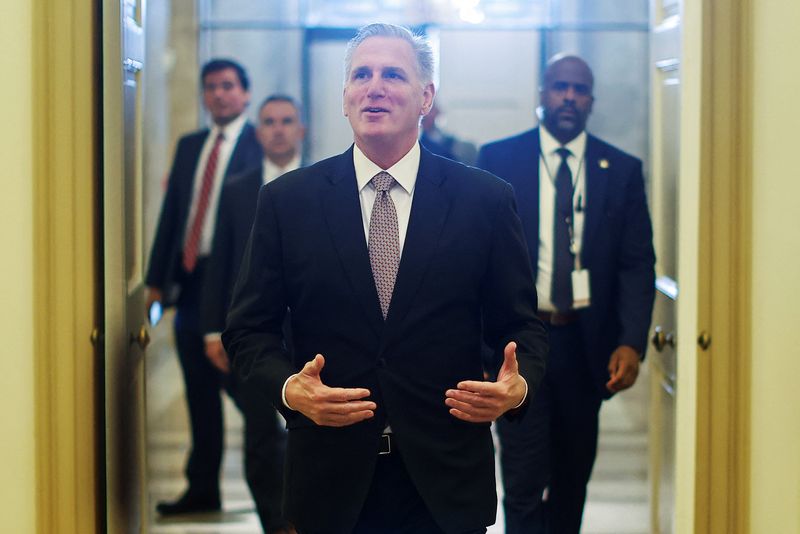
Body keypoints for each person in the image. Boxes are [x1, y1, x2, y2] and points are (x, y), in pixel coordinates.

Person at [222, 23, 548, 534]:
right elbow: (247, 332)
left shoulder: (484, 200)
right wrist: (290, 390)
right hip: (330, 480)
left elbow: (522, 327)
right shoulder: (289, 202)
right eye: (361, 75)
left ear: (426, 96)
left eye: (393, 74)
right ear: (345, 97)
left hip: (445, 483)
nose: (375, 86)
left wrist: (518, 385)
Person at [477, 54, 656, 534]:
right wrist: (478, 346)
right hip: (519, 342)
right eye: (559, 87)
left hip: (584, 345)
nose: (569, 97)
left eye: (579, 89)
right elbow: (476, 261)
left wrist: (630, 340)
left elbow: (637, 262)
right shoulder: (498, 160)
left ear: (591, 100)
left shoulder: (619, 169)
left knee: (572, 479)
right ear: (542, 94)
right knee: (521, 479)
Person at [145, 58, 262, 515]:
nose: (219, 94)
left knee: (247, 392)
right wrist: (157, 280)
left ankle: (279, 492)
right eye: (211, 87)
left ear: (245, 93)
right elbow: (173, 214)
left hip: (236, 283)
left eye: (228, 86)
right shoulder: (191, 145)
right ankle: (202, 487)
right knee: (199, 391)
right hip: (192, 281)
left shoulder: (258, 146)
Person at [202, 94, 306, 532]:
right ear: (258, 131)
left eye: (286, 121)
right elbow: (220, 262)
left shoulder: (323, 181)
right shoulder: (238, 188)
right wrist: (213, 329)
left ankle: (308, 518)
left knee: (308, 433)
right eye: (269, 122)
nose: (278, 129)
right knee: (261, 437)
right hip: (256, 333)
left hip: (308, 331)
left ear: (301, 129)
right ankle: (274, 523)